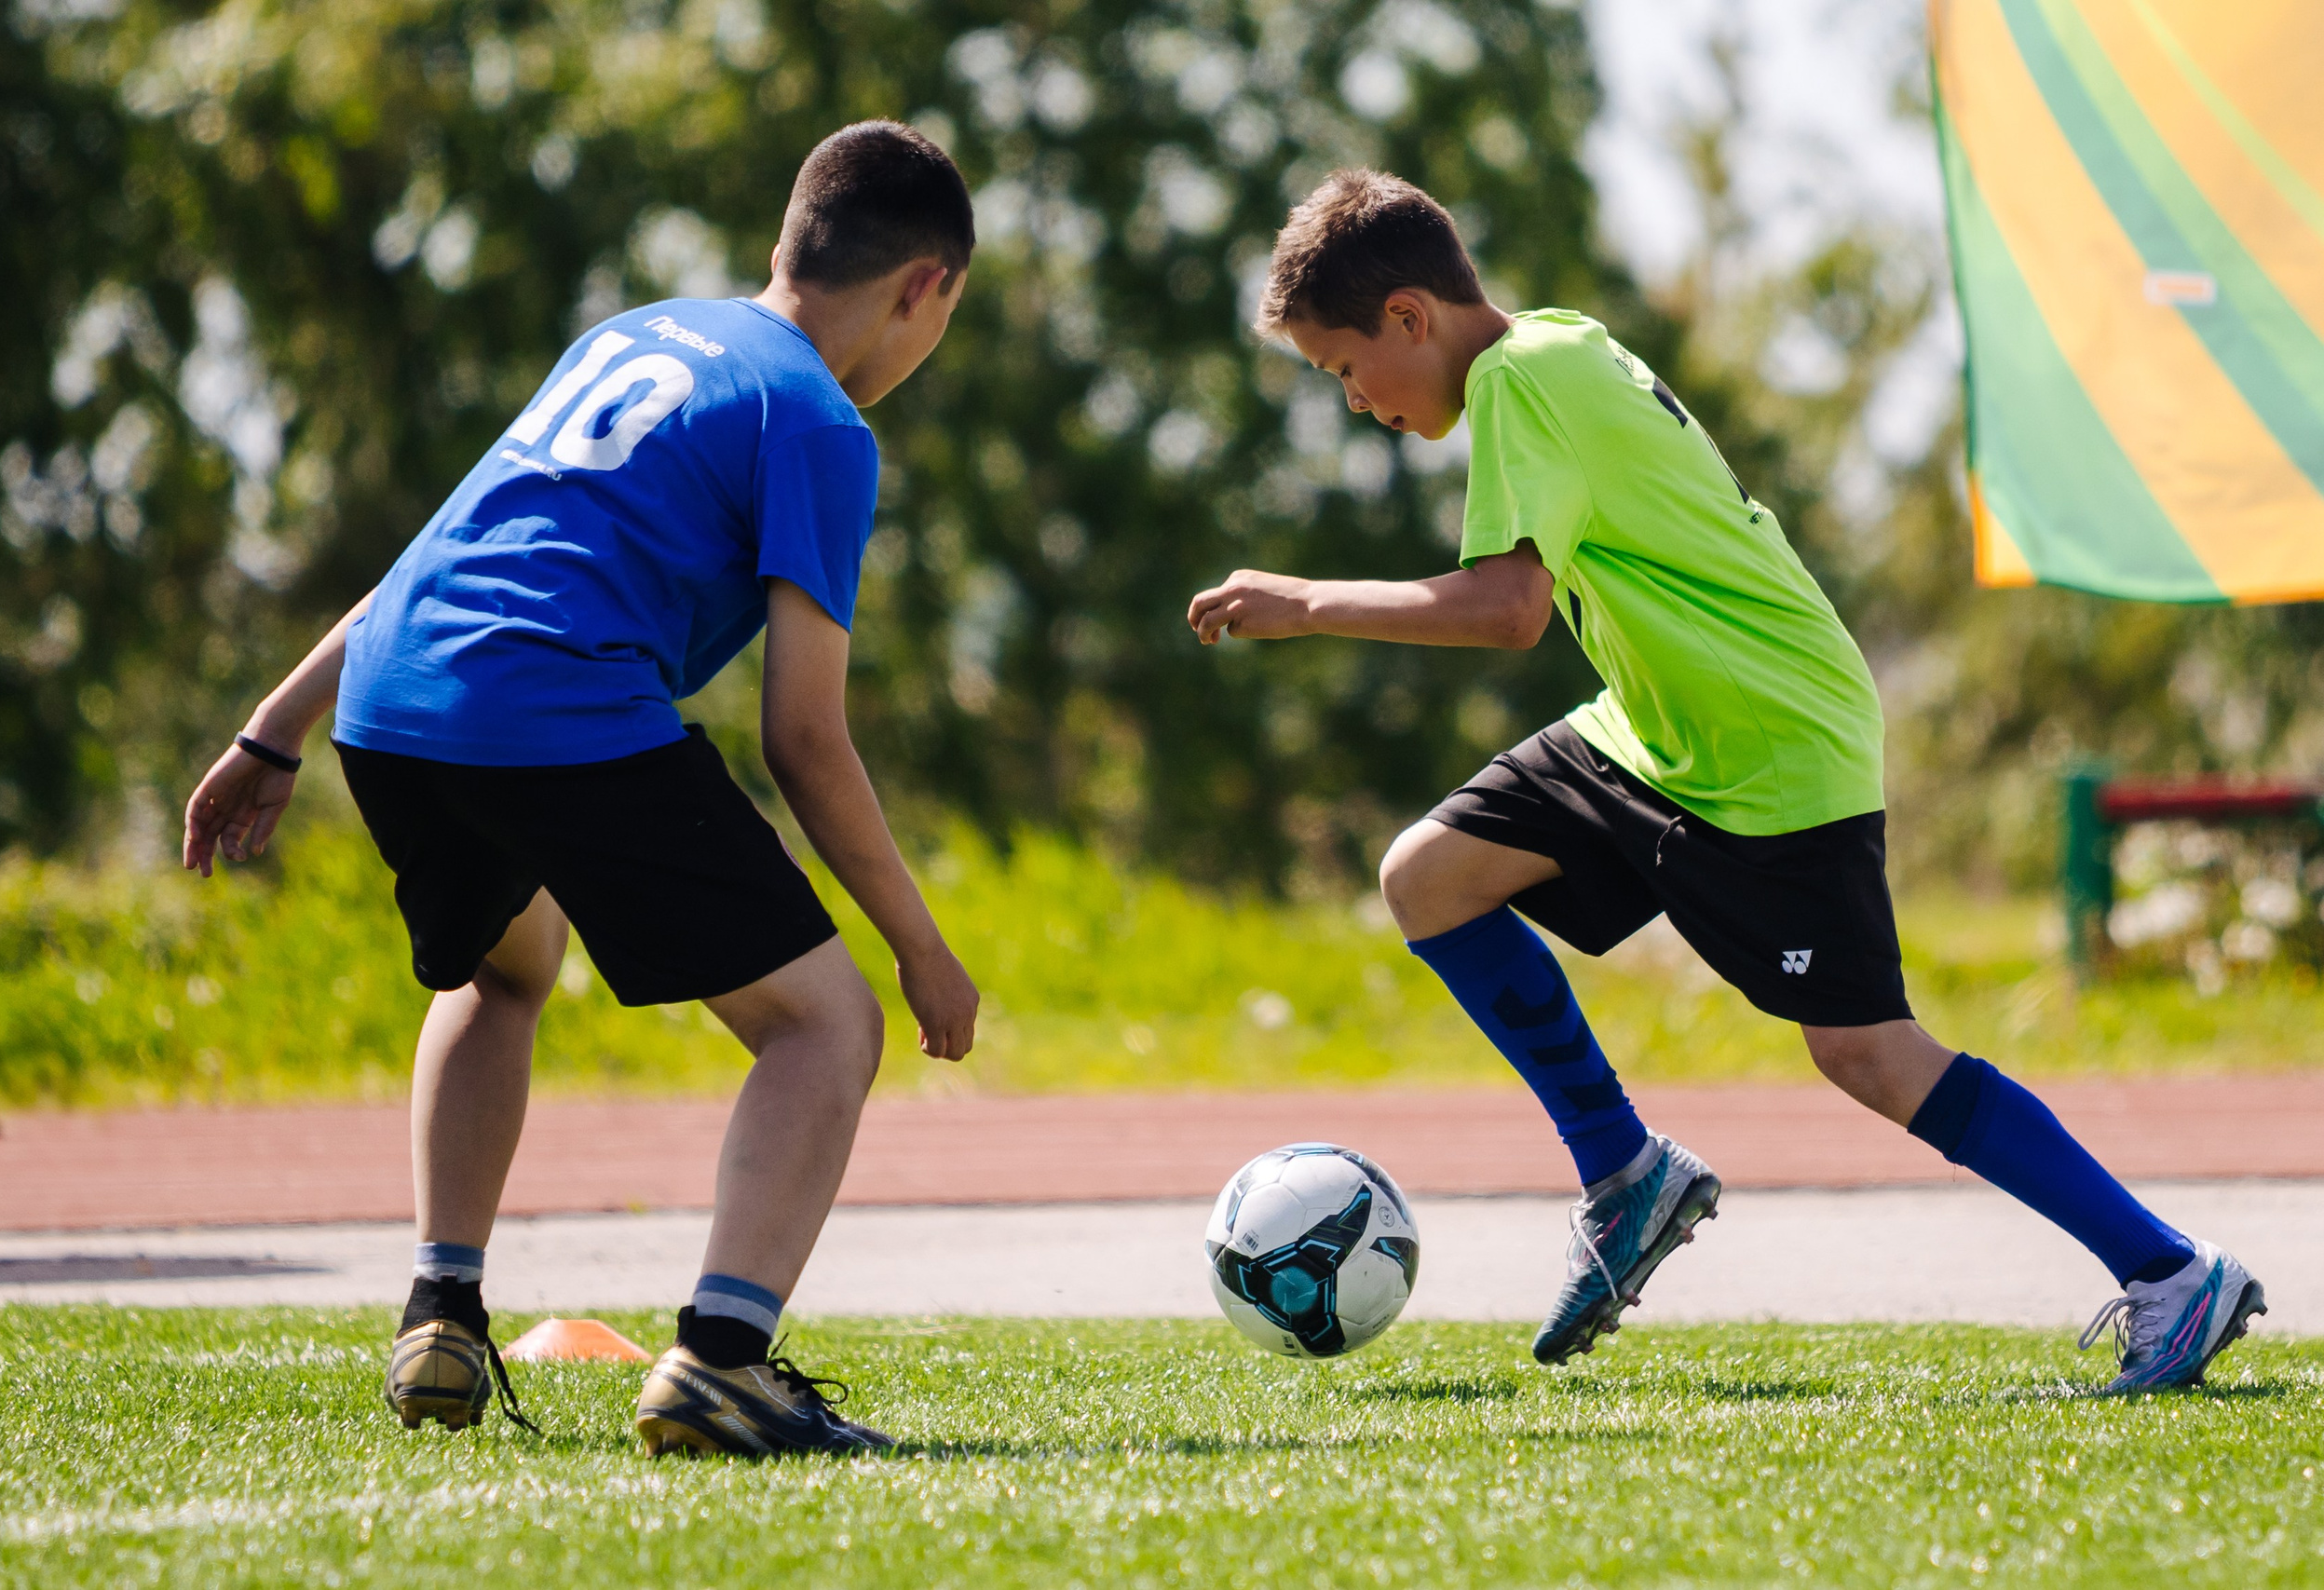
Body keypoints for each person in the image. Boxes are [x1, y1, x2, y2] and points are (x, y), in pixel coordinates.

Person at [1188, 169, 2264, 1393]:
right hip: (1659, 734)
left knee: (1867, 1055)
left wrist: (1304, 602)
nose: (1356, 400)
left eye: (1342, 370)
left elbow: (1506, 611)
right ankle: (1626, 1172)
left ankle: (2173, 1273)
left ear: (1410, 318)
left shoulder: (1520, 382)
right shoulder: (1552, 351)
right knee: (1430, 876)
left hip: (1767, 747)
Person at [183, 122, 981, 1454]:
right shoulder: (820, 422)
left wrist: (276, 727)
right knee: (824, 1029)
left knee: (504, 968)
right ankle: (724, 1360)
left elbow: (446, 543)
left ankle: (441, 1309)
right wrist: (920, 949)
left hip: (393, 697)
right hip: (548, 697)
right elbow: (806, 741)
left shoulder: (637, 333)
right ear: (924, 289)